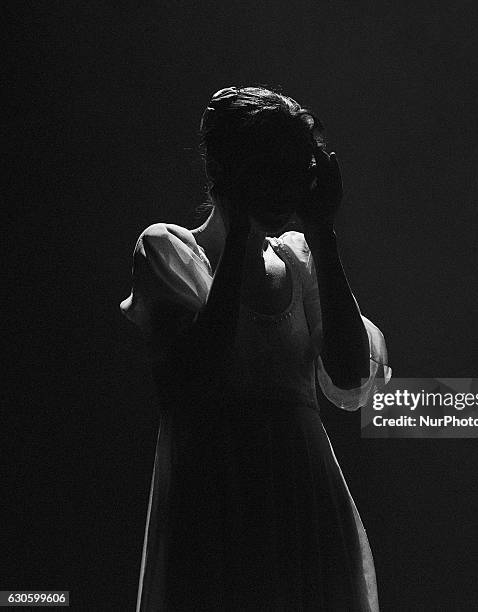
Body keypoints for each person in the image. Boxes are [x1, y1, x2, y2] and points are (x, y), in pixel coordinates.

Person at [120, 85, 391, 611]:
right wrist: (240, 223)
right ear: (230, 171)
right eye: (270, 170)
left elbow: (352, 377)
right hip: (216, 502)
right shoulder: (169, 251)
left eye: (296, 171)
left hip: (303, 503)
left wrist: (322, 233)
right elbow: (202, 373)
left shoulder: (299, 260)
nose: (285, 188)